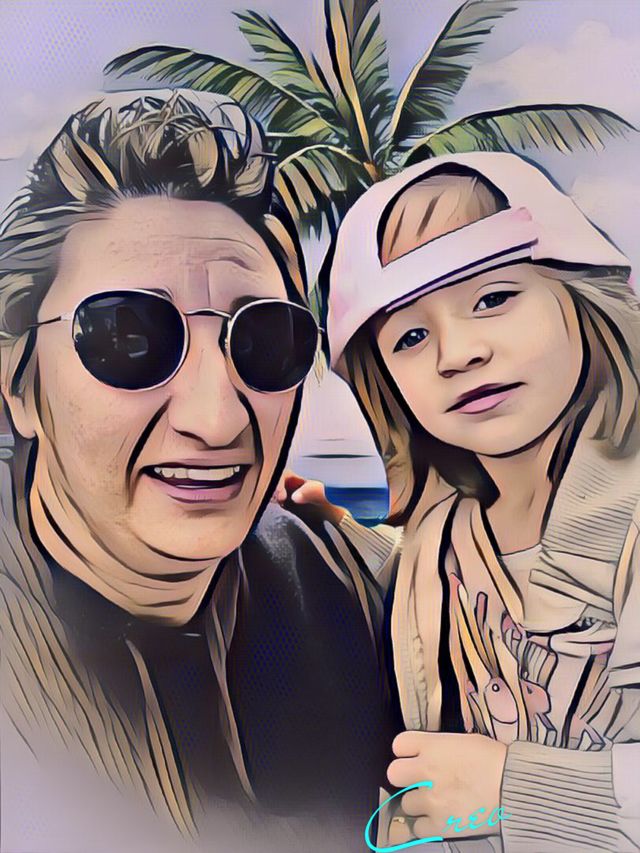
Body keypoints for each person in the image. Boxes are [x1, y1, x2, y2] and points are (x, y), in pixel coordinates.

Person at [0, 90, 399, 853]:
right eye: (127, 337)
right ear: (18, 382)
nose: (217, 419)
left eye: (265, 339)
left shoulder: (344, 584)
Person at [286, 152, 640, 850]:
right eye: (411, 337)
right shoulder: (443, 534)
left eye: (494, 297)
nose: (457, 353)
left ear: (580, 299)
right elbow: (455, 575)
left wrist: (515, 791)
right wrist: (337, 527)